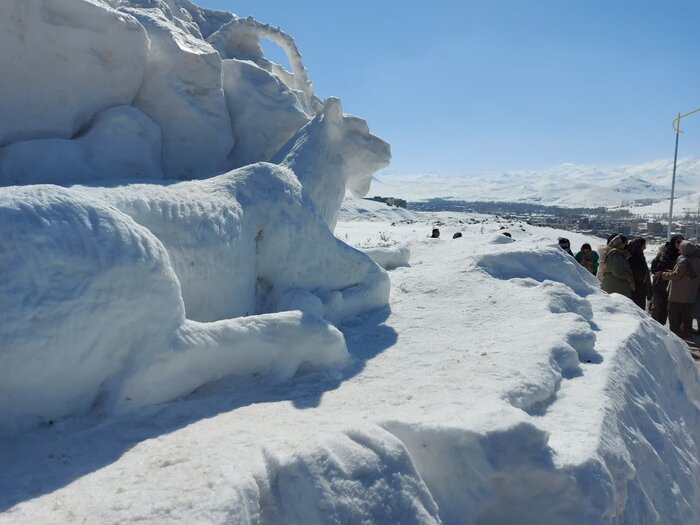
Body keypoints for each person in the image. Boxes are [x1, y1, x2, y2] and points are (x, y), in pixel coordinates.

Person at [655, 240, 700, 339]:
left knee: (674, 318)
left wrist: (662, 274)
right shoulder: (697, 260)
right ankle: (687, 335)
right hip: (691, 295)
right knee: (687, 318)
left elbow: (676, 276)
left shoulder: (684, 261)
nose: (679, 250)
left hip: (677, 295)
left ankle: (675, 339)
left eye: (681, 248)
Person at [649, 234, 685, 324]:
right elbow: (655, 269)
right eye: (678, 242)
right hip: (661, 285)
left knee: (675, 310)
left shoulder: (684, 256)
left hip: (676, 286)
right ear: (673, 242)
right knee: (659, 307)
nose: (680, 244)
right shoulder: (665, 254)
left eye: (682, 242)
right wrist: (666, 272)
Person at [627, 238, 651, 310]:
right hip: (634, 289)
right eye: (643, 246)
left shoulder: (641, 257)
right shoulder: (631, 259)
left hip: (641, 289)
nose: (645, 248)